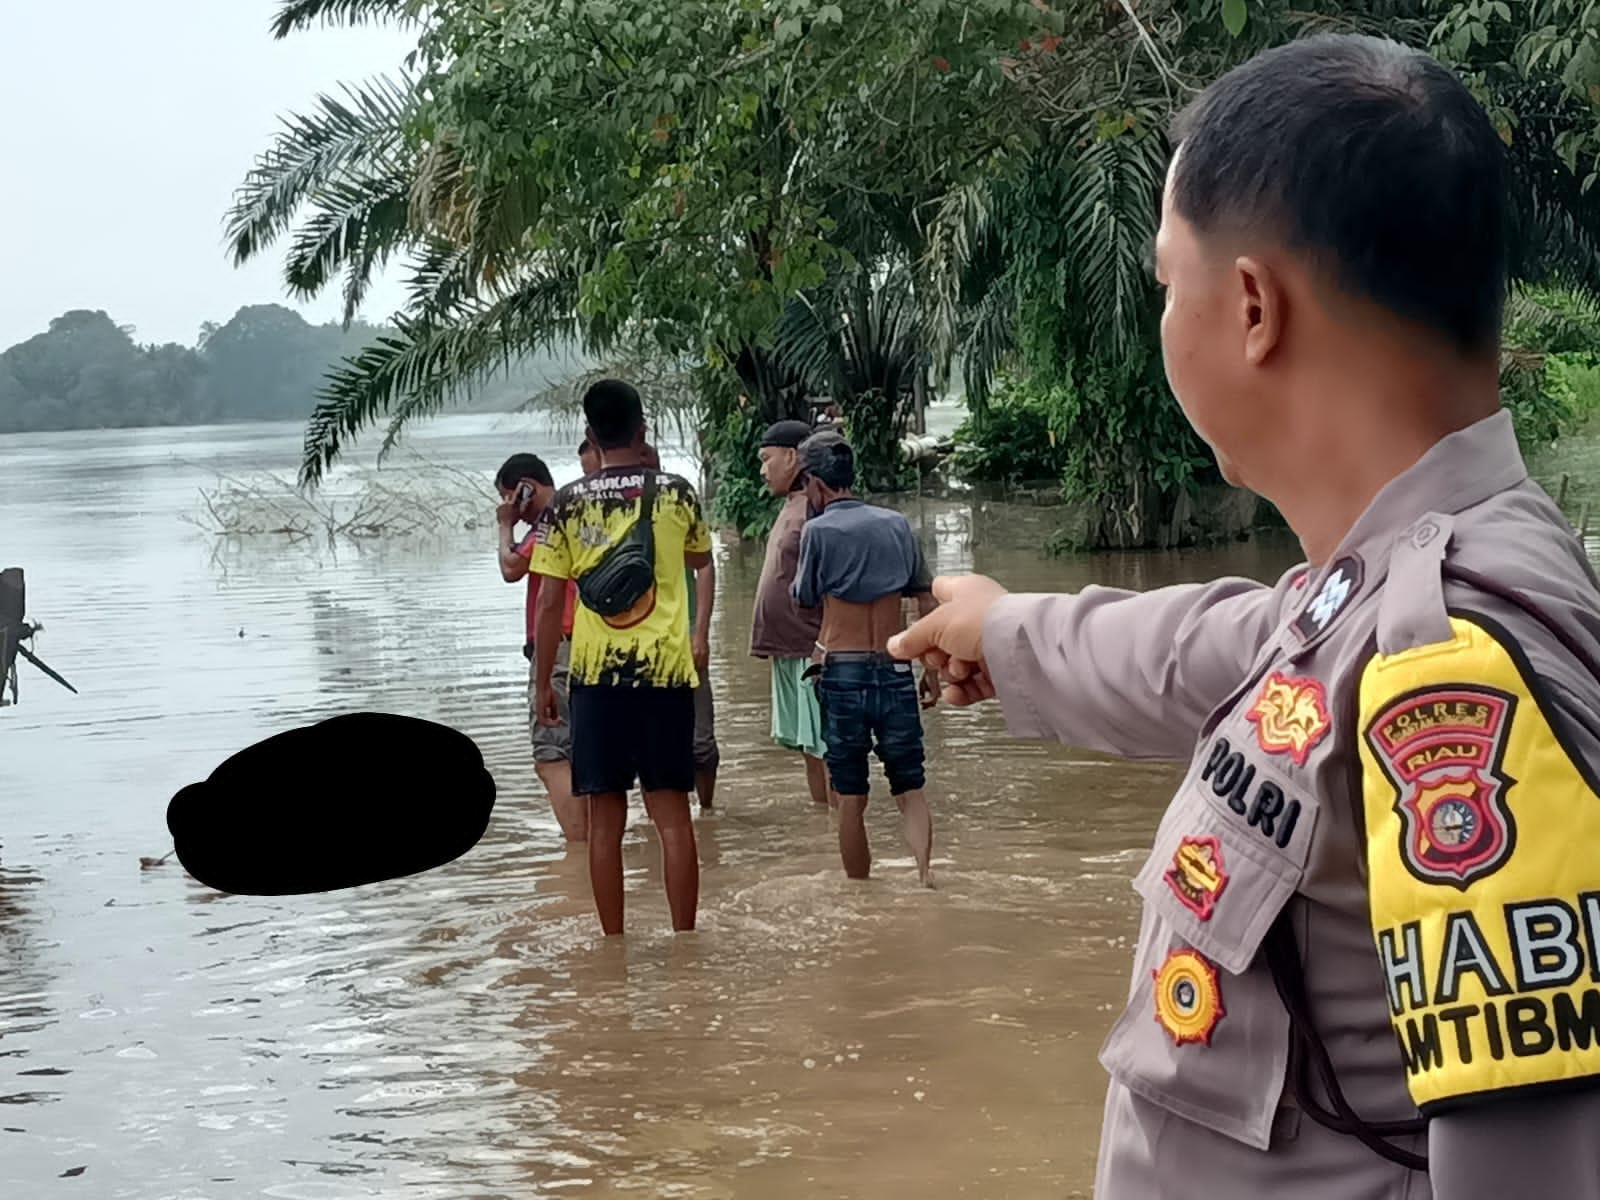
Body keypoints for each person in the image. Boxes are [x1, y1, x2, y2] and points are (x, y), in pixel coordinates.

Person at [888, 33, 1600, 1199]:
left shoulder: (1457, 663)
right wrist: (1005, 629)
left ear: (1254, 306)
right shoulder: (1384, 585)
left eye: (1170, 281)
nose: (1164, 317)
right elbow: (1219, 648)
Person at [531, 380, 711, 934]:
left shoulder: (565, 503)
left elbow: (548, 603)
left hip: (595, 678)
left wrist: (543, 684)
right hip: (665, 673)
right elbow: (703, 563)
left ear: (589, 434)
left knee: (605, 823)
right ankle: (685, 943)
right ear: (643, 429)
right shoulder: (678, 493)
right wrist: (698, 635)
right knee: (673, 818)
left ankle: (614, 947)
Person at [793, 430, 939, 884]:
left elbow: (803, 597)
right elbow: (925, 601)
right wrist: (930, 668)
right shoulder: (896, 524)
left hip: (843, 670)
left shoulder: (817, 531)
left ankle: (860, 895)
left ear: (816, 484)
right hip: (897, 665)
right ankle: (924, 879)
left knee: (850, 795)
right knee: (910, 788)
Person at [494, 453, 586, 843]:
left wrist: (503, 527)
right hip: (590, 645)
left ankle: (580, 851)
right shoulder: (580, 510)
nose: (510, 507)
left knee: (550, 757)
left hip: (559, 648)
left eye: (509, 496)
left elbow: (511, 568)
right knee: (581, 753)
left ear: (525, 489)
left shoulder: (550, 520)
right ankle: (594, 844)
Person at [752, 419, 830, 807]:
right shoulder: (790, 506)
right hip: (786, 647)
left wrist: (824, 646)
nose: (763, 470)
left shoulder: (817, 510)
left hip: (810, 648)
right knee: (808, 746)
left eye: (767, 459)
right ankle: (824, 826)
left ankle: (840, 828)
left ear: (793, 456)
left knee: (825, 745)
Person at [642, 441, 719, 810]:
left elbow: (704, 564)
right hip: (633, 647)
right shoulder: (600, 515)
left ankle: (707, 811)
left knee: (702, 743)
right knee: (649, 744)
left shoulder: (676, 506)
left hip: (682, 637)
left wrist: (700, 632)